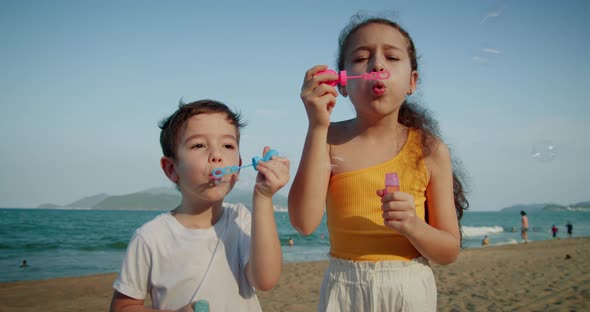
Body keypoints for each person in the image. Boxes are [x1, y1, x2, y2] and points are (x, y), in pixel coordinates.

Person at [289, 14, 468, 311]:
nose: (377, 65)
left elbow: (448, 251)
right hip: (343, 291)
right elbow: (303, 223)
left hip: (409, 291)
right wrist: (317, 126)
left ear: (412, 81)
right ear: (342, 83)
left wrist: (412, 225)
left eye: (392, 56)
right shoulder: (327, 138)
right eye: (361, 57)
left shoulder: (431, 151)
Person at [110, 99, 290, 312]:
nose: (217, 155)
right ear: (171, 168)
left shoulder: (240, 220)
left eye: (227, 145)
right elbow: (123, 307)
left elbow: (265, 280)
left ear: (239, 166)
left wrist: (263, 197)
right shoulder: (151, 237)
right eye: (199, 145)